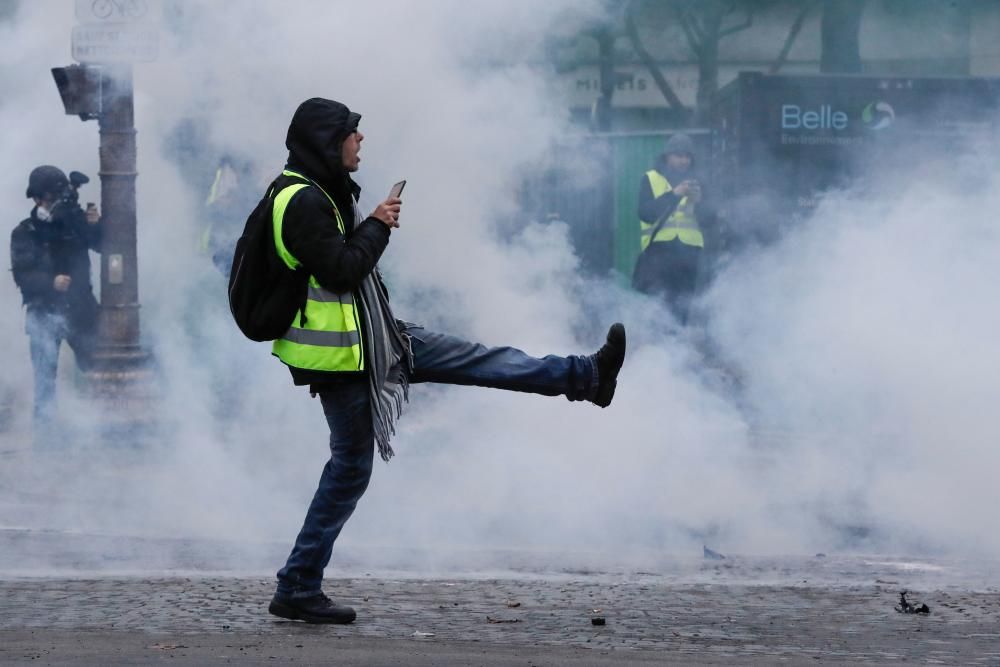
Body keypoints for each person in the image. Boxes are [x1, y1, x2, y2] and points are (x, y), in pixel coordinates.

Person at [262, 98, 627, 624]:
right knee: (349, 470)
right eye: (351, 133)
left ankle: (587, 377)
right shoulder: (302, 201)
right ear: (326, 140)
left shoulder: (315, 191)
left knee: (477, 360)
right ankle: (297, 584)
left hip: (374, 341)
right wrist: (380, 224)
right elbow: (342, 270)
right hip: (343, 358)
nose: (360, 141)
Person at [10, 166, 101, 433]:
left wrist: (96, 224)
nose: (58, 203)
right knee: (45, 379)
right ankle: (46, 434)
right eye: (52, 198)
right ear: (38, 199)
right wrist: (51, 283)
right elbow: (23, 274)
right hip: (43, 312)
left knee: (97, 366)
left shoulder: (75, 222)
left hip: (80, 309)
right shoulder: (24, 231)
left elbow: (104, 244)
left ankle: (98, 426)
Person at [632, 132, 709, 324]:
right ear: (667, 156)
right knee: (660, 306)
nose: (684, 161)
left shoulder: (700, 182)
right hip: (659, 252)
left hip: (689, 254)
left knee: (683, 306)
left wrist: (699, 203)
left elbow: (711, 221)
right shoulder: (650, 179)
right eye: (679, 155)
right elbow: (646, 213)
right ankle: (659, 349)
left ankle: (678, 350)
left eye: (687, 156)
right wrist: (674, 194)